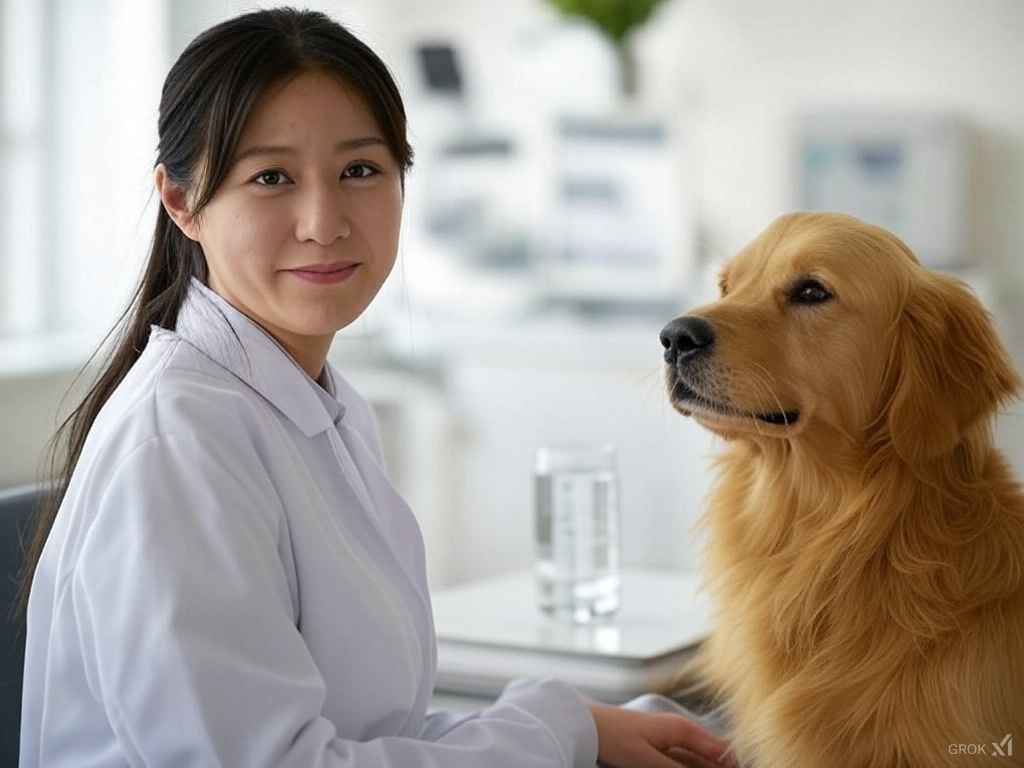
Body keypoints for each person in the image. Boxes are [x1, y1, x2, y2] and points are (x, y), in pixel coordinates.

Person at [18, 7, 735, 767]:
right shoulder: (180, 443)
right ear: (181, 202)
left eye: (360, 170)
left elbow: (366, 730)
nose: (324, 221)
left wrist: (576, 725)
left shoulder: (319, 405)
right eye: (271, 178)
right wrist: (553, 730)